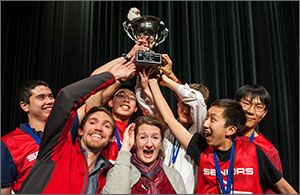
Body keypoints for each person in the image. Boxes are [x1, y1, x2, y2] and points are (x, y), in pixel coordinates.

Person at [147, 76, 297, 194]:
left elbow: (283, 187)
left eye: (212, 120)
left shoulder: (254, 151)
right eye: (206, 118)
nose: (205, 124)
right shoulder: (202, 149)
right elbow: (169, 119)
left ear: (230, 130)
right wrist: (153, 83)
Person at [19, 58, 136, 193]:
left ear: (111, 137)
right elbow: (67, 97)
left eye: (106, 126)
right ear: (80, 130)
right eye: (92, 122)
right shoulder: (58, 149)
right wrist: (113, 76)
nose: (98, 127)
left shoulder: (105, 174)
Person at [135, 54, 209, 193]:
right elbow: (148, 105)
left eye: (189, 107)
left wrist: (167, 79)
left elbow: (196, 100)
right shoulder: (167, 129)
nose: (185, 110)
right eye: (182, 104)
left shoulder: (201, 129)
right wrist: (145, 82)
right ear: (177, 103)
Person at [85, 39, 149, 164]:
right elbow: (95, 78)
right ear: (110, 102)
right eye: (121, 95)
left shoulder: (137, 132)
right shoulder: (98, 124)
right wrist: (128, 56)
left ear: (136, 108)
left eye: (131, 98)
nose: (126, 99)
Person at [102, 116, 187, 194]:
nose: (149, 144)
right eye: (143, 137)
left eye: (155, 138)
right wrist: (125, 147)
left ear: (161, 142)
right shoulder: (119, 171)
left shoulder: (174, 176)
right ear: (135, 141)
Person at [1, 80, 55, 194]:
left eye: (51, 96)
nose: (50, 101)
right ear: (25, 106)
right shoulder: (8, 143)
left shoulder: (66, 131)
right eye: (41, 97)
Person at [234, 84, 282, 194]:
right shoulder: (219, 138)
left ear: (264, 114)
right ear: (235, 104)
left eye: (258, 107)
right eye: (246, 104)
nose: (251, 111)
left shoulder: (268, 150)